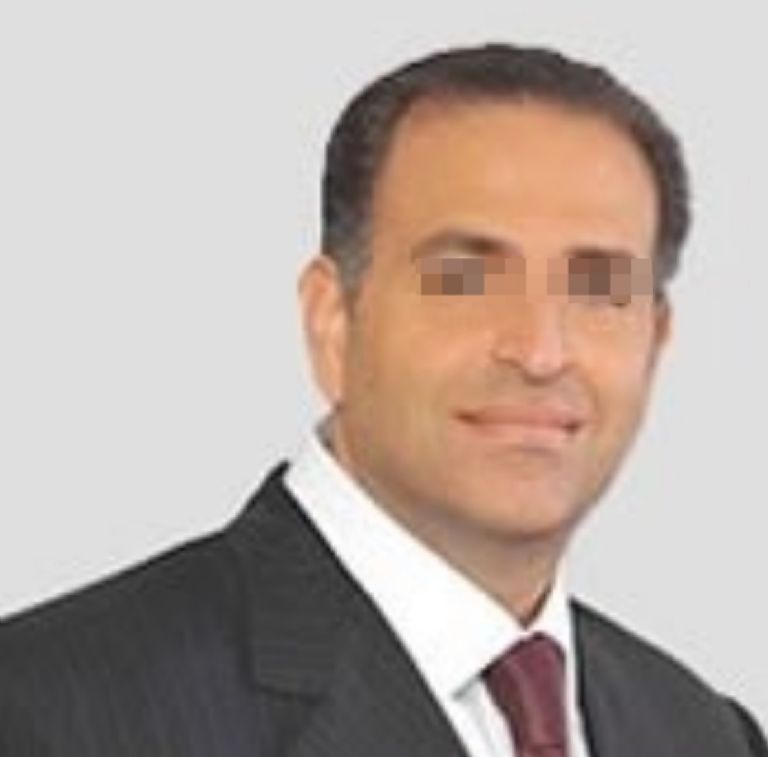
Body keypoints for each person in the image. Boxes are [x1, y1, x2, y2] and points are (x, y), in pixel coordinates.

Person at [0, 43, 764, 757]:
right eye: (463, 278)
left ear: (655, 340)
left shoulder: (705, 733)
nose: (540, 351)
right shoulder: (48, 710)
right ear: (332, 319)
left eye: (599, 286)